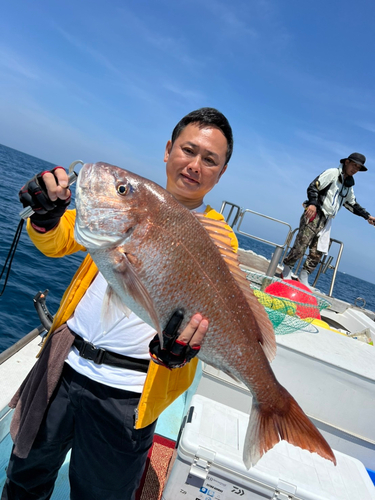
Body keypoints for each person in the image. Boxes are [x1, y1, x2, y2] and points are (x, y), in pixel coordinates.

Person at [1, 108, 238, 500]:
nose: (195, 165)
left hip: (128, 393)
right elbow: (59, 241)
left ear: (221, 171)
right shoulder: (125, 206)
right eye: (188, 149)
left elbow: (207, 317)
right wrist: (45, 216)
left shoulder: (218, 240)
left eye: (209, 159)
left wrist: (180, 352)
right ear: (168, 150)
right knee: (24, 479)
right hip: (63, 365)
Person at [282, 152, 375, 288]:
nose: (355, 169)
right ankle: (286, 270)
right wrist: (313, 203)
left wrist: (367, 216)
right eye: (354, 165)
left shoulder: (348, 185)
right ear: (347, 162)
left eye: (358, 168)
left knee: (318, 251)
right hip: (315, 213)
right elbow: (314, 186)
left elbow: (351, 204)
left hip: (327, 219)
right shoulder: (332, 173)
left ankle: (304, 276)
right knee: (302, 244)